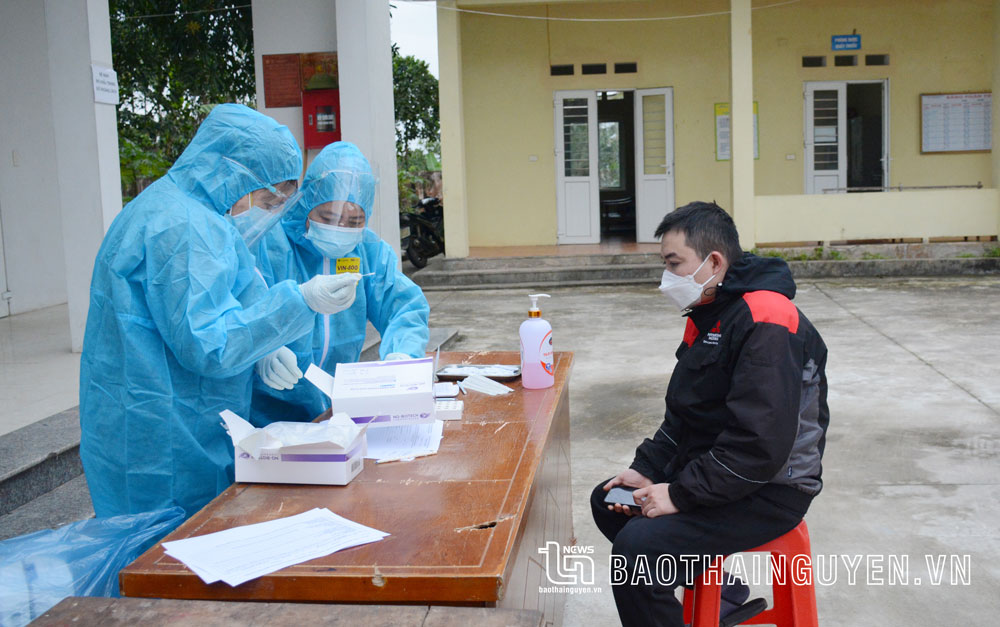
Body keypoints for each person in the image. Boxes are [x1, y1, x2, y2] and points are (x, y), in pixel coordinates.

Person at [80, 104, 362, 519]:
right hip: (162, 436)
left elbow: (235, 293)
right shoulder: (184, 227)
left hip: (168, 416)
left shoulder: (186, 211)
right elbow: (208, 343)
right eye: (266, 199)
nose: (266, 211)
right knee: (164, 557)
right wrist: (300, 302)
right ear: (232, 172)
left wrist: (264, 346)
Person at [591, 201, 829, 627]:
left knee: (637, 555)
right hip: (718, 474)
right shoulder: (709, 312)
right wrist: (648, 470)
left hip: (768, 490)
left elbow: (758, 449)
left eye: (674, 263)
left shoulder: (767, 319)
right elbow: (686, 414)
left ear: (714, 262)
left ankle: (711, 598)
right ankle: (727, 597)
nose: (667, 278)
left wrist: (679, 494)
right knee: (609, 501)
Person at [250, 141, 430, 425]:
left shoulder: (369, 252)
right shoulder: (271, 245)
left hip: (339, 409)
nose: (340, 229)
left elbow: (403, 306)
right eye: (328, 217)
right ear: (306, 203)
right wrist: (261, 350)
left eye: (355, 220)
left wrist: (401, 355)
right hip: (270, 409)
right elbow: (244, 305)